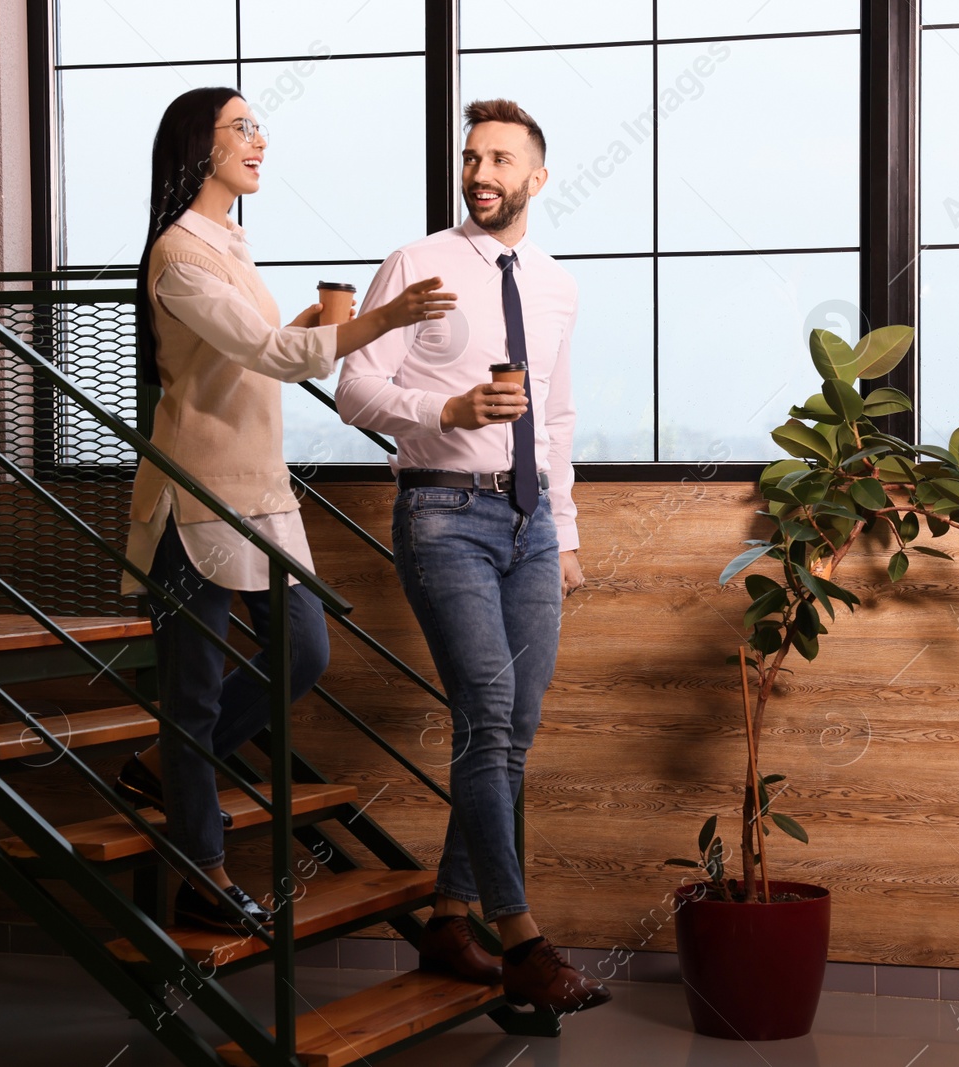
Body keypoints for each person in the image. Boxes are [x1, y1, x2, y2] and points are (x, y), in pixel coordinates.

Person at [118, 86, 455, 934]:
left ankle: (165, 766)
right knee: (193, 696)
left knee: (302, 651)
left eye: (259, 127)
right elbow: (267, 352)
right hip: (196, 502)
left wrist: (315, 324)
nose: (259, 141)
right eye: (242, 129)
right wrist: (386, 317)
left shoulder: (229, 245)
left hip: (259, 495)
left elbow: (253, 356)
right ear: (199, 147)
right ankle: (202, 870)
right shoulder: (179, 253)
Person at [335, 99, 607, 1015]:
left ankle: (449, 917)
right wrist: (442, 412)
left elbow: (556, 419)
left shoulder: (558, 285)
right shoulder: (417, 264)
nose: (481, 172)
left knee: (511, 729)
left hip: (530, 526)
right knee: (489, 713)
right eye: (470, 158)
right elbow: (355, 389)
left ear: (536, 175)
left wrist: (561, 533)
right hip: (443, 515)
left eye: (500, 159)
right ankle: (521, 936)